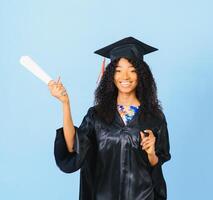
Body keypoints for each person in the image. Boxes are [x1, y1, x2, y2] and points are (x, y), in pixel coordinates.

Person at [48, 37, 171, 200]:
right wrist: (65, 104)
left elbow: (157, 163)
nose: (125, 76)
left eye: (132, 70)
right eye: (118, 70)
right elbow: (72, 147)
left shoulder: (155, 118)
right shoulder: (96, 116)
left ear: (141, 74)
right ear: (110, 75)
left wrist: (151, 153)